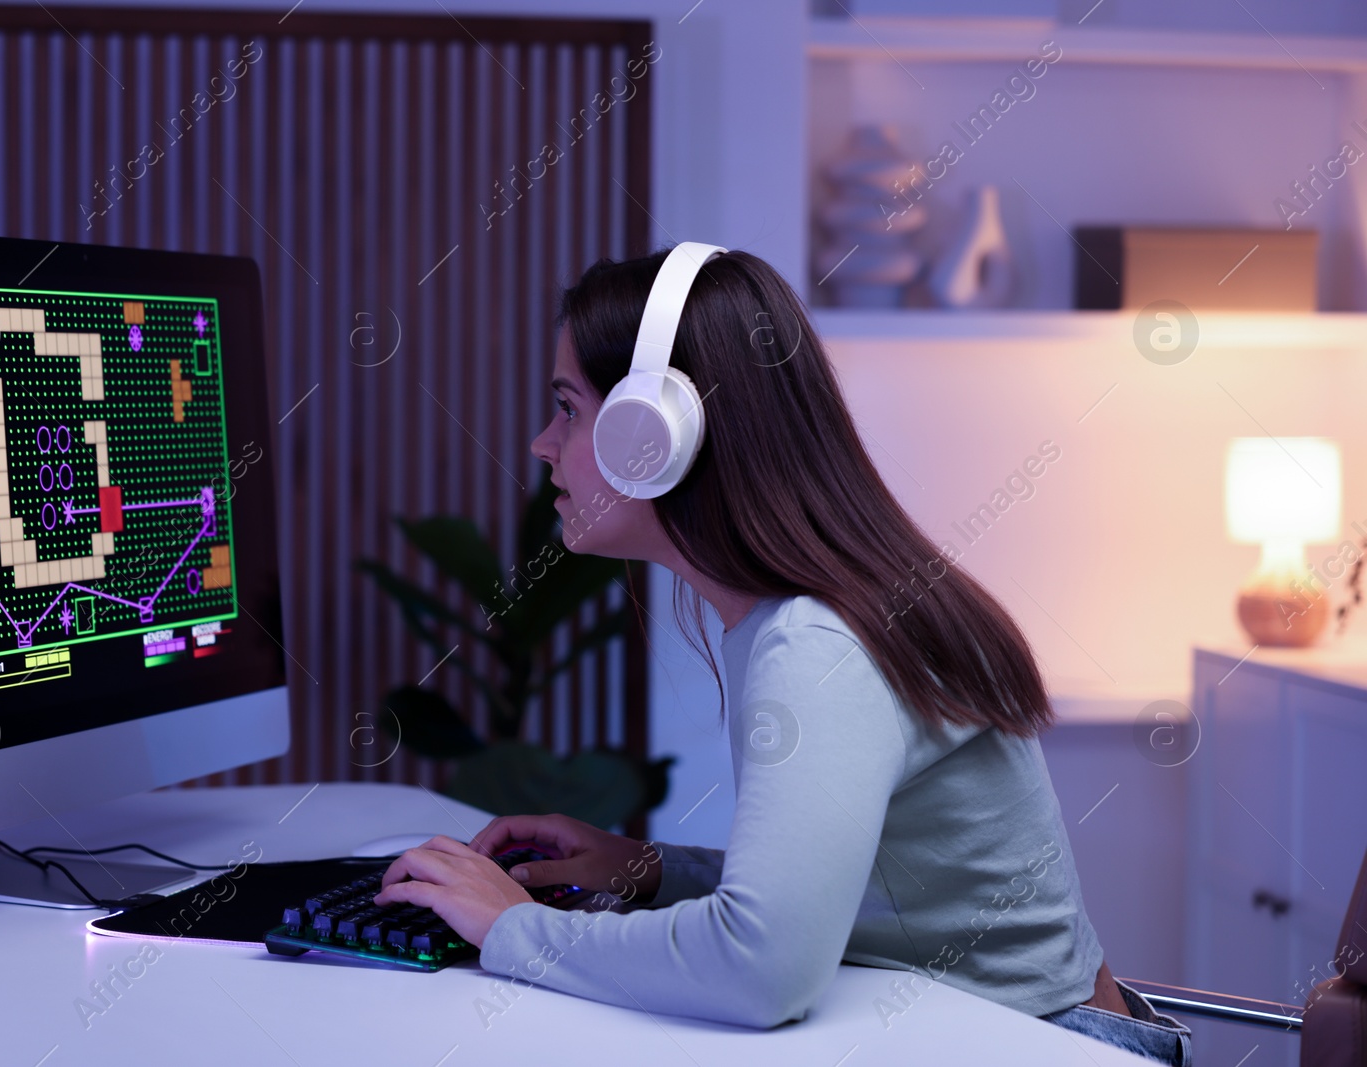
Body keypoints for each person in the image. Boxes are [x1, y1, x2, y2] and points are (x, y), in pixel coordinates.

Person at [371, 247, 1193, 1066]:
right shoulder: (809, 613)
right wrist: (653, 869)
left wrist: (510, 927)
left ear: (648, 434)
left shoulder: (814, 643)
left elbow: (764, 969)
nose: (542, 444)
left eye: (569, 409)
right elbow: (845, 895)